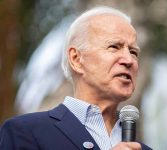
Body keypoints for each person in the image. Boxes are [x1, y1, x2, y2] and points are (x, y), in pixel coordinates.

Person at [0, 6, 152, 150]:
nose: (129, 60)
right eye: (114, 47)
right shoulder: (24, 133)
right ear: (76, 59)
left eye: (134, 52)